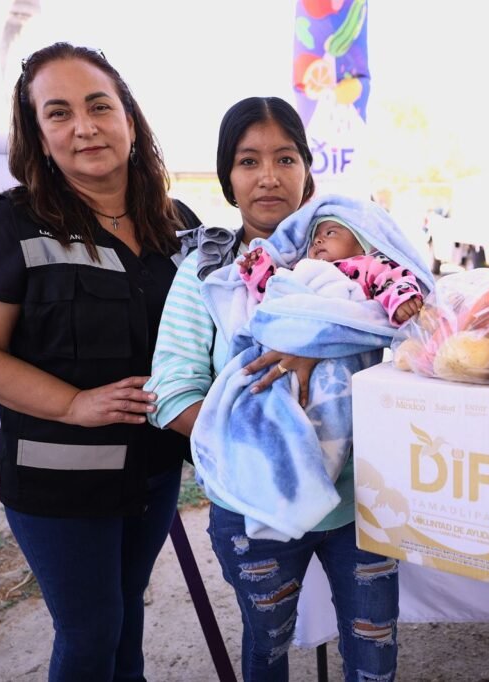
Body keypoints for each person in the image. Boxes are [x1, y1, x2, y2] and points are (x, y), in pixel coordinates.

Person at [0, 43, 200, 681]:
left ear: (129, 119)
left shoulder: (178, 225)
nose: (84, 126)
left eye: (99, 106)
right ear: (39, 136)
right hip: (59, 480)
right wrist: (72, 404)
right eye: (58, 113)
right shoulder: (16, 223)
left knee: (127, 619)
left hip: (153, 468)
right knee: (90, 634)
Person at [147, 97, 413, 681]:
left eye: (285, 158)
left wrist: (318, 344)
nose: (268, 176)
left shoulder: (356, 254)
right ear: (228, 178)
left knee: (375, 652)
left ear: (306, 170)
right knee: (267, 648)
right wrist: (265, 445)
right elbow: (172, 389)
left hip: (363, 504)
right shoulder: (207, 274)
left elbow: (416, 339)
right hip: (252, 508)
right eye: (249, 161)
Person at [240, 213, 425, 325]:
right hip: (301, 324)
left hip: (342, 330)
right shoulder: (304, 268)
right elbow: (277, 288)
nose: (318, 240)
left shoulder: (370, 264)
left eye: (330, 233)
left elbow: (393, 280)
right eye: (314, 239)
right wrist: (257, 267)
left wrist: (402, 301)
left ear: (362, 245)